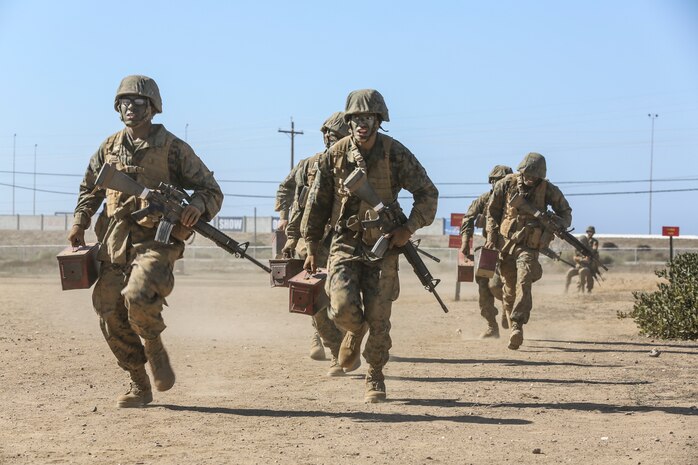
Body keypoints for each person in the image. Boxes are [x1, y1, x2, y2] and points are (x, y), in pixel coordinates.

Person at [67, 75, 223, 408]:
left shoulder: (174, 148)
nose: (130, 109)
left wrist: (197, 206)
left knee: (137, 296)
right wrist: (80, 220)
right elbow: (89, 188)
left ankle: (154, 346)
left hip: (158, 240)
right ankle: (138, 382)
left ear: (152, 108)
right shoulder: (109, 147)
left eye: (138, 104)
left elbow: (211, 190)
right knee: (107, 308)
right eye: (123, 103)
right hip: (115, 241)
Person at [302, 89, 438, 402]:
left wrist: (408, 228)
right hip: (345, 242)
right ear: (349, 122)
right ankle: (353, 330)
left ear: (379, 120)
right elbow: (318, 202)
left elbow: (427, 193)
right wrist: (310, 245)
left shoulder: (394, 153)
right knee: (341, 308)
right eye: (356, 118)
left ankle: (375, 374)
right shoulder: (335, 154)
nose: (363, 123)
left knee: (379, 318)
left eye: (369, 117)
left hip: (385, 243)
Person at [277, 112, 350, 374]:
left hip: (347, 241)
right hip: (312, 243)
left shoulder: (360, 169)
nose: (332, 142)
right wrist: (287, 225)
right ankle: (333, 349)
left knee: (342, 299)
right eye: (329, 137)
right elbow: (292, 197)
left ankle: (347, 343)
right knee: (315, 300)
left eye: (337, 137)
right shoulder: (309, 165)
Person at [485, 152, 571, 350]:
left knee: (524, 282)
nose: (530, 179)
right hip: (505, 243)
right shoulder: (506, 184)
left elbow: (566, 213)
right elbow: (492, 213)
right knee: (508, 286)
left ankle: (517, 325)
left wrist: (556, 224)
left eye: (535, 176)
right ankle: (509, 314)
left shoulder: (548, 190)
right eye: (527, 174)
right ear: (521, 172)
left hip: (529, 246)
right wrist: (491, 238)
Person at [460, 165, 512, 338]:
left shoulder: (516, 202)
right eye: (498, 181)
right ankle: (492, 326)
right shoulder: (485, 199)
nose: (501, 185)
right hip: (490, 250)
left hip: (510, 249)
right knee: (483, 286)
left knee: (496, 285)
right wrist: (466, 242)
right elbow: (468, 218)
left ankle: (507, 306)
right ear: (492, 182)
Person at [565, 226, 600, 293]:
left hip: (588, 266)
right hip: (579, 266)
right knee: (569, 272)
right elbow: (575, 257)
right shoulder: (578, 248)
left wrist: (583, 258)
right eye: (589, 232)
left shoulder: (592, 244)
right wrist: (581, 259)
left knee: (583, 272)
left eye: (591, 232)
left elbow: (590, 256)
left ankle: (583, 290)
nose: (590, 233)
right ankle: (566, 290)